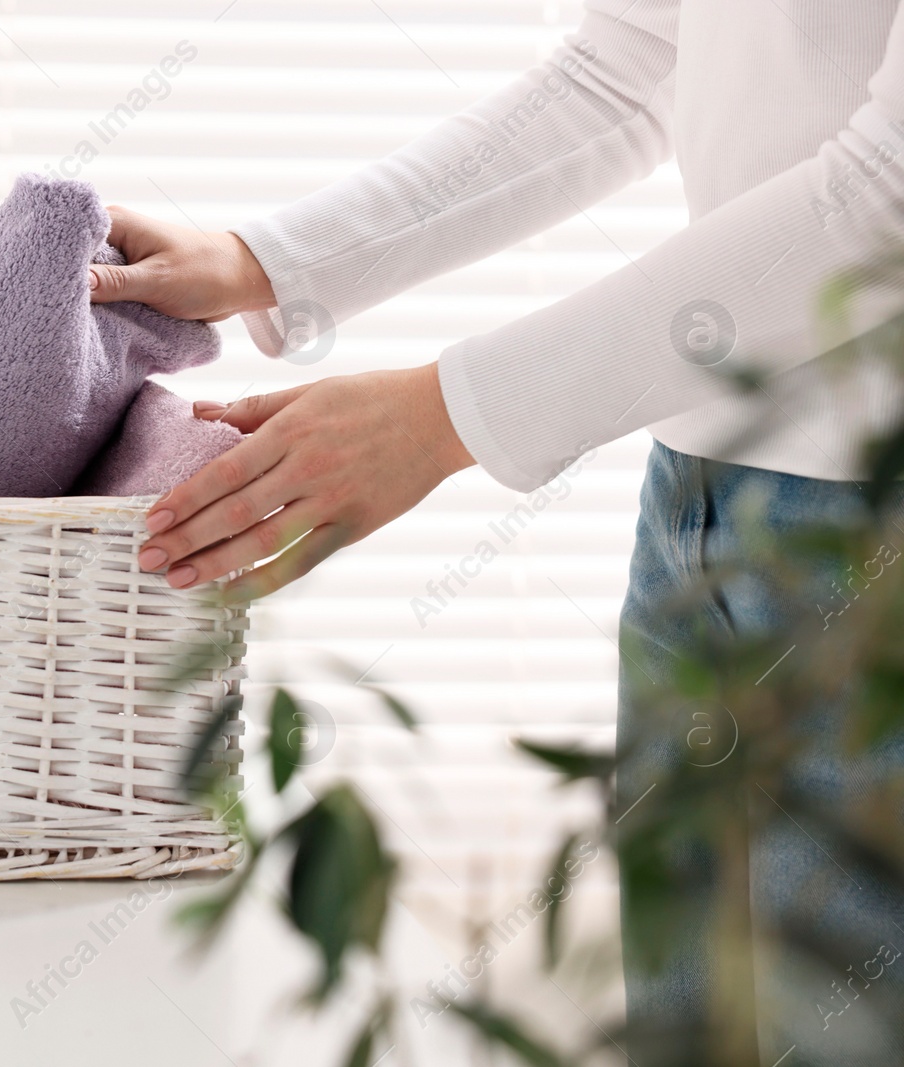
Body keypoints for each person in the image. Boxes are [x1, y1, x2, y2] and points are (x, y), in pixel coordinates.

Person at [89, 0, 904, 1061]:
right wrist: (272, 260)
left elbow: (879, 194)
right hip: (697, 493)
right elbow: (629, 61)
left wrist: (444, 414)